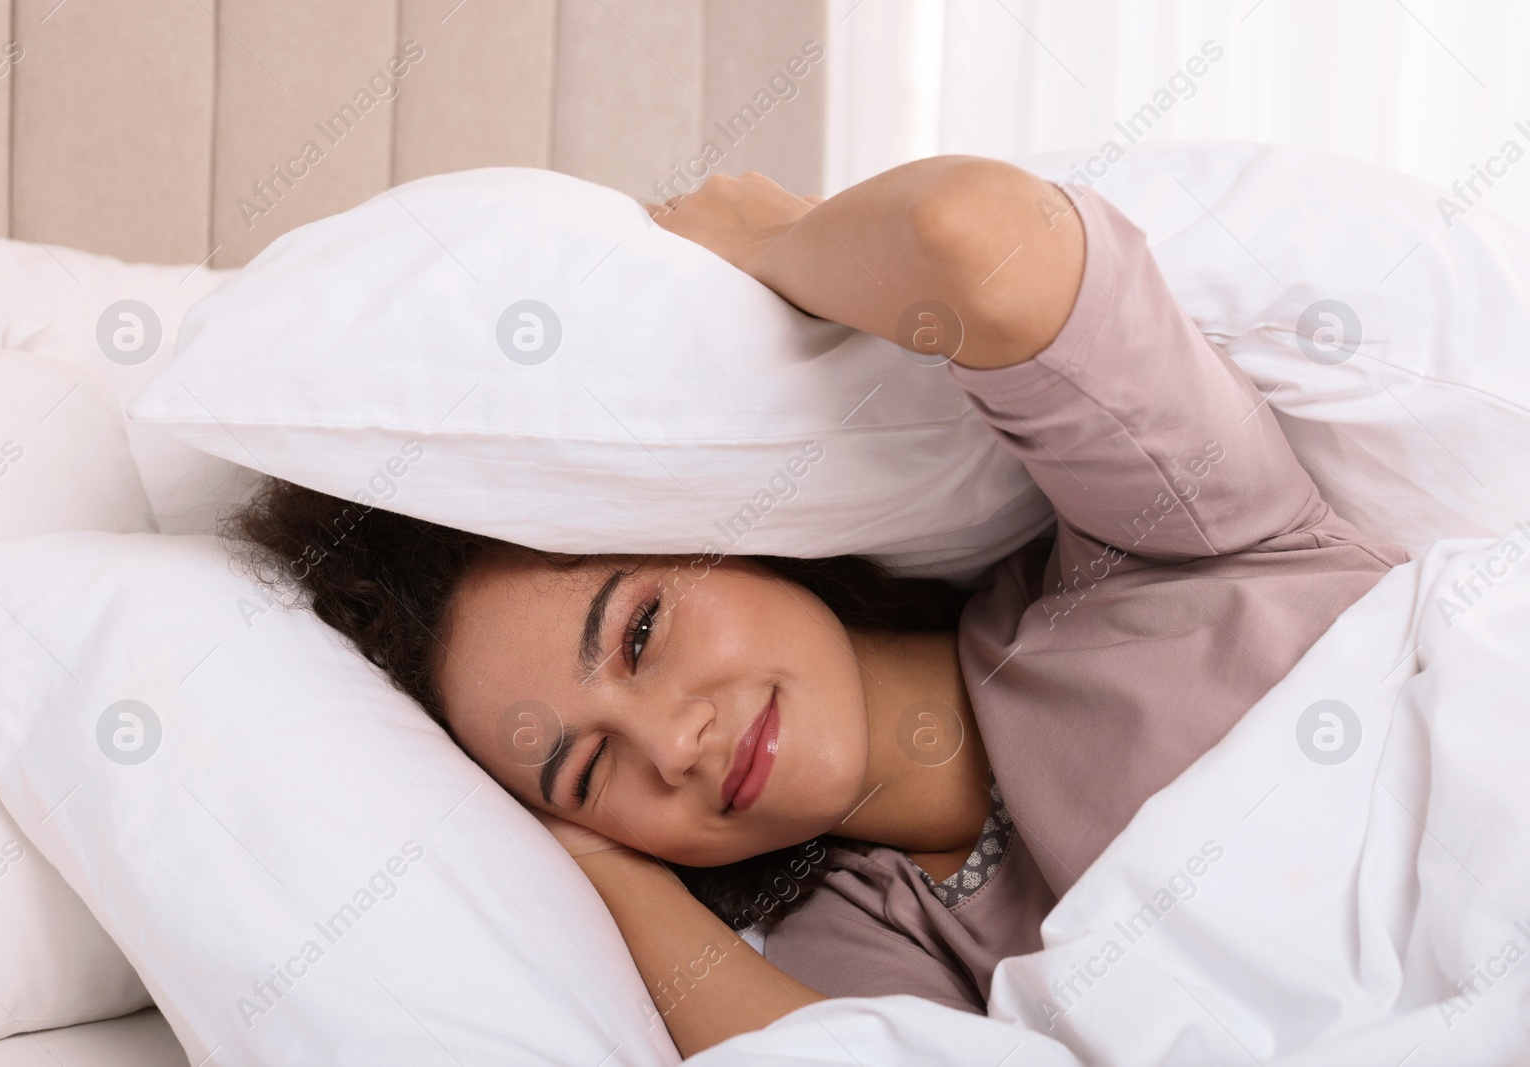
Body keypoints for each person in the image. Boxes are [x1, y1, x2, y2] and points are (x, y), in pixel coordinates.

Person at [227, 156, 1408, 1059]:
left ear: (744, 541)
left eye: (641, 632)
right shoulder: (858, 938)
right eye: (592, 767)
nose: (673, 744)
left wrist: (778, 239)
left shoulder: (1147, 554)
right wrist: (602, 862)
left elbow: (975, 238)